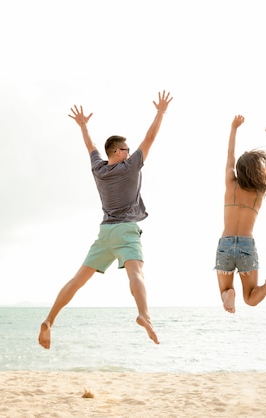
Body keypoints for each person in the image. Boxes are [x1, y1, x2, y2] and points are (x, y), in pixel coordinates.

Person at [38, 91, 173, 349]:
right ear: (119, 152)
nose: (131, 151)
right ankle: (144, 314)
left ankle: (49, 320)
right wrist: (160, 112)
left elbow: (90, 147)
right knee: (136, 272)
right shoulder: (130, 166)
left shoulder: (98, 169)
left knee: (77, 280)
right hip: (125, 231)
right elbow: (151, 137)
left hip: (105, 234)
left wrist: (83, 126)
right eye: (127, 149)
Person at [215, 115, 266, 313]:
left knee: (224, 290)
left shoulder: (231, 184)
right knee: (251, 298)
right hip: (246, 244)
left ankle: (228, 295)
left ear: (239, 170)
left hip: (226, 243)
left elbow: (229, 155)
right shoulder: (259, 191)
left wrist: (234, 127)